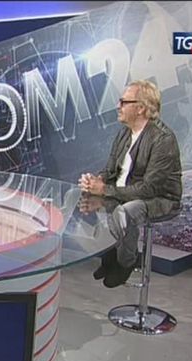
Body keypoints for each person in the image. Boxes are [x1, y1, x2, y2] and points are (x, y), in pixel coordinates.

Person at [78, 80, 182, 288]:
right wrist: (96, 181)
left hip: (159, 198)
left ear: (141, 108)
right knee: (85, 198)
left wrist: (105, 189)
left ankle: (126, 262)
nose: (119, 106)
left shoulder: (163, 139)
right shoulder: (125, 133)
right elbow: (110, 170)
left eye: (124, 102)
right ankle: (110, 255)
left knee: (125, 212)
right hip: (127, 191)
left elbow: (149, 189)